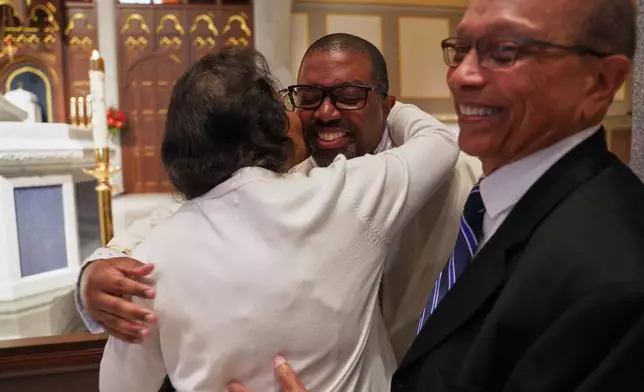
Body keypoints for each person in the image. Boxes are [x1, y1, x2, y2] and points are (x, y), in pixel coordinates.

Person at [232, 0, 644, 390]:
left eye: (504, 52)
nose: (461, 75)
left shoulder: (615, 272)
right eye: (462, 49)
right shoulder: (493, 203)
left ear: (600, 82)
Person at [77, 34, 481, 360]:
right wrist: (99, 268)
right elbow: (187, 214)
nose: (325, 112)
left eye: (349, 94)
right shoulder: (287, 171)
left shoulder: (449, 174)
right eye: (308, 96)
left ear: (386, 103)